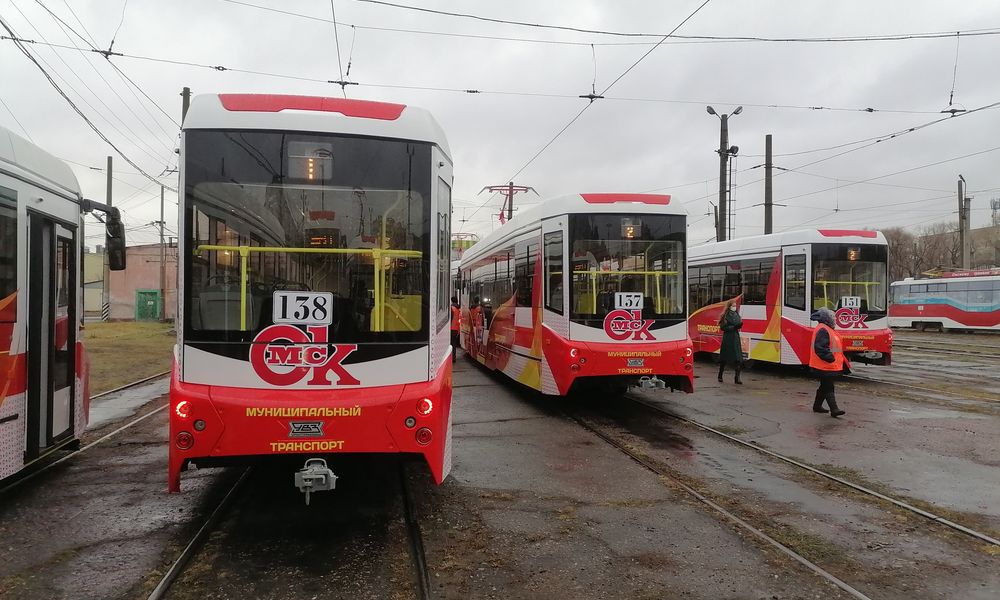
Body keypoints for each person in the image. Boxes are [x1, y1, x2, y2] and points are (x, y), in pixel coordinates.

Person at [809, 307, 850, 417]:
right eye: (832, 317)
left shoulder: (826, 328)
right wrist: (830, 358)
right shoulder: (823, 329)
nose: (834, 319)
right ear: (826, 318)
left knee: (824, 386)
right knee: (828, 386)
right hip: (824, 365)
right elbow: (820, 348)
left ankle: (817, 406)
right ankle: (834, 409)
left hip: (827, 365)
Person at [717, 299, 743, 384]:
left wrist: (739, 325)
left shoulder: (737, 314)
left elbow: (738, 322)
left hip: (735, 337)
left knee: (738, 359)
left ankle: (737, 378)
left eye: (735, 305)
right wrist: (733, 327)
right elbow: (722, 327)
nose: (734, 307)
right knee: (724, 359)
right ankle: (720, 375)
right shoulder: (725, 315)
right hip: (728, 338)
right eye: (733, 305)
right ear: (729, 306)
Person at [450, 296, 461, 363]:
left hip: (450, 329)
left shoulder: (452, 308)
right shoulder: (458, 309)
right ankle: (454, 358)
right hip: (456, 329)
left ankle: (450, 358)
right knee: (454, 344)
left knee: (450, 344)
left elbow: (450, 320)